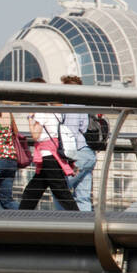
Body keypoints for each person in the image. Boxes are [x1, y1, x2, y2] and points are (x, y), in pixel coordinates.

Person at [19, 79, 79, 211]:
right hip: (53, 155)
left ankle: (80, 218)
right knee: (34, 190)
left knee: (60, 191)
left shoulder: (40, 112)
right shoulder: (54, 111)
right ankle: (21, 216)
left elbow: (35, 136)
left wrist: (30, 119)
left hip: (48, 157)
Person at [61, 74, 96, 211]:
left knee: (60, 189)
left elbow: (71, 132)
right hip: (88, 153)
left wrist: (68, 157)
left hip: (77, 154)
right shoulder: (82, 105)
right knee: (83, 196)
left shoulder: (69, 106)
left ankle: (62, 222)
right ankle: (85, 225)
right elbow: (83, 127)